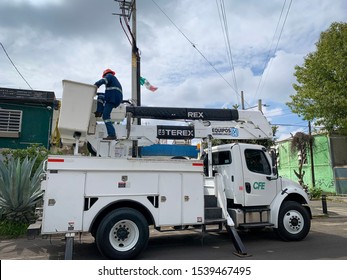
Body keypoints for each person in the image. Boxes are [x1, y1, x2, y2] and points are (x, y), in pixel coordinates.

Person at [94, 68, 123, 140]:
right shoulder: (113, 81)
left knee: (106, 116)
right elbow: (107, 93)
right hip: (114, 98)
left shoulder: (109, 76)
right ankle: (99, 112)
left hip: (112, 99)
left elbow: (103, 81)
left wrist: (96, 85)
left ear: (105, 75)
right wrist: (98, 93)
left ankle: (112, 134)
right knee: (100, 97)